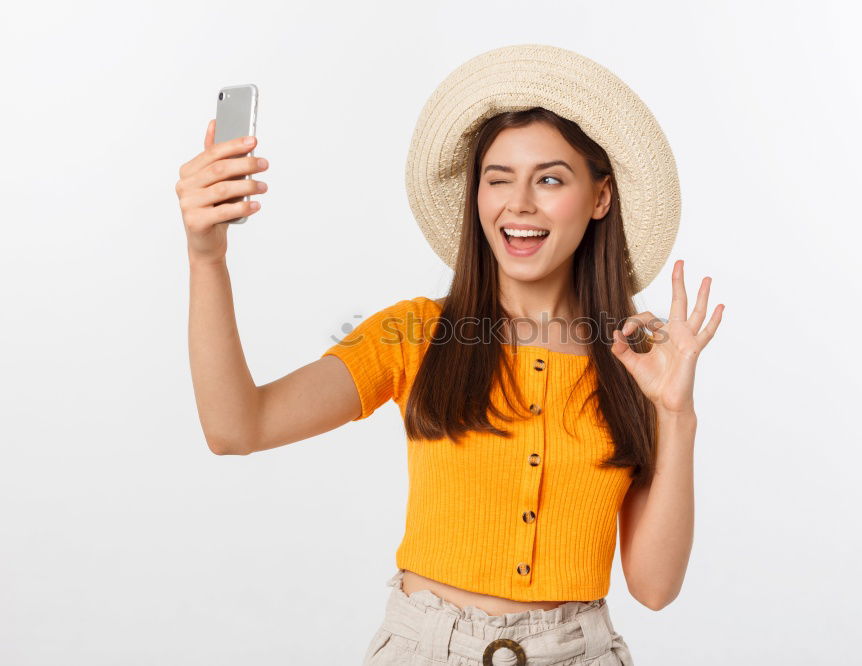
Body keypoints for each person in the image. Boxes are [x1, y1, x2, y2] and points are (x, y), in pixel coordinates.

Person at [176, 44, 723, 666]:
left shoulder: (638, 364)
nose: (519, 202)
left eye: (550, 179)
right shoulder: (415, 334)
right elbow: (236, 428)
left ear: (600, 198)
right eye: (498, 179)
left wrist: (676, 414)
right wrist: (206, 258)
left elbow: (655, 588)